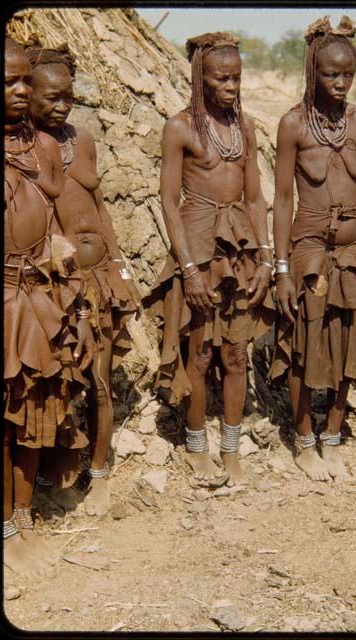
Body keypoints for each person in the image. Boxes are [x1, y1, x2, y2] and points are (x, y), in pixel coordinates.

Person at [145, 32, 275, 487]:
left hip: (239, 250)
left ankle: (232, 448)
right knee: (199, 353)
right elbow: (167, 202)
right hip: (199, 249)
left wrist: (265, 258)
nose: (232, 87)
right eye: (222, 78)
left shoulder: (245, 128)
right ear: (201, 78)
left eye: (237, 77)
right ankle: (197, 443)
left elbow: (256, 198)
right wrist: (189, 270)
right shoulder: (179, 128)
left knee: (237, 354)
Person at [26, 42, 142, 516]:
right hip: (55, 287)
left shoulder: (84, 139)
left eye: (68, 96)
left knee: (100, 381)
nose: (61, 105)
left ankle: (100, 476)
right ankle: (50, 479)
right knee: (58, 383)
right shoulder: (24, 151)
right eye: (51, 96)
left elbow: (100, 210)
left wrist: (119, 266)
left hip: (99, 279)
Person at [270, 16, 356, 481]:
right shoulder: (293, 125)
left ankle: (333, 436)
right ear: (312, 72)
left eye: (348, 75)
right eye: (330, 74)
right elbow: (280, 200)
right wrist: (281, 269)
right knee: (307, 341)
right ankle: (303, 440)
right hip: (310, 245)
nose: (340, 84)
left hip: (354, 247)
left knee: (349, 340)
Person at [4, 37, 94, 577]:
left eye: (24, 81)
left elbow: (56, 229)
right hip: (5, 298)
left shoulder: (39, 147)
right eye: (8, 83)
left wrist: (76, 305)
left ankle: (22, 517)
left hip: (40, 295)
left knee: (34, 410)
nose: (21, 91)